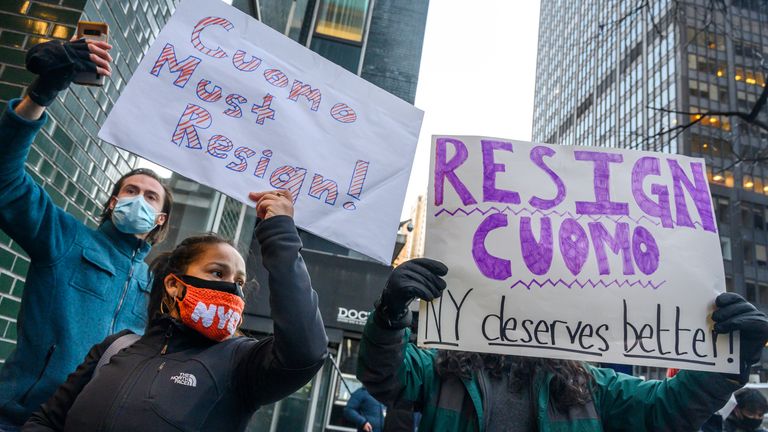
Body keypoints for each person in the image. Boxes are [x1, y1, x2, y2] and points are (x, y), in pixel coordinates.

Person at [22, 189, 328, 430]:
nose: (232, 288)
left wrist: (281, 238)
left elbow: (306, 351)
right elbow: (46, 421)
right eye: (217, 273)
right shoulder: (114, 347)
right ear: (173, 284)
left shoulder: (241, 362)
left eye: (239, 281)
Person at [357, 258, 768, 431]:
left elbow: (666, 410)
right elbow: (385, 375)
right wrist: (390, 314)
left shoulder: (590, 386)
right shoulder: (441, 369)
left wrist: (728, 359)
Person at [0, 38, 174, 429]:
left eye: (150, 197)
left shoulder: (160, 286)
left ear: (159, 219)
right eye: (130, 191)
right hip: (21, 419)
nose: (138, 200)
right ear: (112, 203)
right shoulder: (66, 238)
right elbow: (5, 181)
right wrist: (40, 96)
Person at [701, 388, 768, 432]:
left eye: (760, 415)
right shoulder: (719, 426)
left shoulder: (759, 430)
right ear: (736, 410)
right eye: (750, 414)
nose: (756, 418)